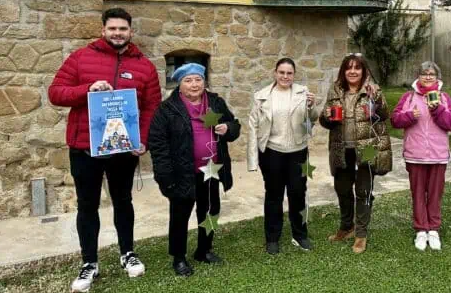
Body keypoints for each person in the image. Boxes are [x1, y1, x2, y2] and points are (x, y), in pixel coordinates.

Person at [48, 7, 162, 293]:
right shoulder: (80, 58)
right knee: (87, 206)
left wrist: (143, 139)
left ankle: (127, 253)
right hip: (85, 147)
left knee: (123, 201)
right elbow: (55, 93)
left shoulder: (144, 66)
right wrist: (87, 89)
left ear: (130, 32)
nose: (117, 33)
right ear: (103, 30)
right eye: (112, 29)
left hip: (123, 150)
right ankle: (89, 262)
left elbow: (151, 107)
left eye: (123, 29)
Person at [148, 63, 241, 276]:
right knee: (180, 216)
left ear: (204, 82)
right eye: (188, 80)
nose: (194, 84)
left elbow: (234, 126)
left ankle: (204, 249)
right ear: (179, 85)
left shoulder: (215, 103)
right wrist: (165, 178)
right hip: (183, 173)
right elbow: (157, 144)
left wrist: (228, 128)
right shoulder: (167, 109)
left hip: (211, 169)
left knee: (210, 211)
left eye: (198, 79)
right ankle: (179, 258)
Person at [319, 54, 392, 254]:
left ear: (363, 71)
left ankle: (361, 233)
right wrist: (326, 117)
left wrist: (375, 98)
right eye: (348, 68)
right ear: (343, 71)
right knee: (342, 188)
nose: (352, 71)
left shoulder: (373, 89)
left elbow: (384, 114)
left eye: (357, 68)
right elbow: (324, 120)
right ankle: (346, 226)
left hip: (367, 147)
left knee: (363, 190)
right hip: (342, 148)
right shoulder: (335, 90)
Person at [247, 58, 319, 255]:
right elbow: (253, 126)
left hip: (298, 152)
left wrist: (312, 107)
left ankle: (300, 235)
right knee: (273, 196)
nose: (285, 76)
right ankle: (272, 238)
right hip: (272, 153)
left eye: (289, 73)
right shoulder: (261, 96)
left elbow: (312, 121)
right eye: (282, 72)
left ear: (294, 75)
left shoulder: (303, 93)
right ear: (275, 73)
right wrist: (252, 159)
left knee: (298, 194)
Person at [391, 61, 451, 251]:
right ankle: (421, 229)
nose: (428, 77)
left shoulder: (444, 98)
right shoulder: (409, 97)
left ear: (437, 77)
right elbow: (395, 120)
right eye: (424, 73)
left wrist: (437, 109)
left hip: (438, 155)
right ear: (418, 76)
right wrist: (409, 116)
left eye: (432, 74)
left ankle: (434, 229)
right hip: (415, 154)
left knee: (435, 194)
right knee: (418, 193)